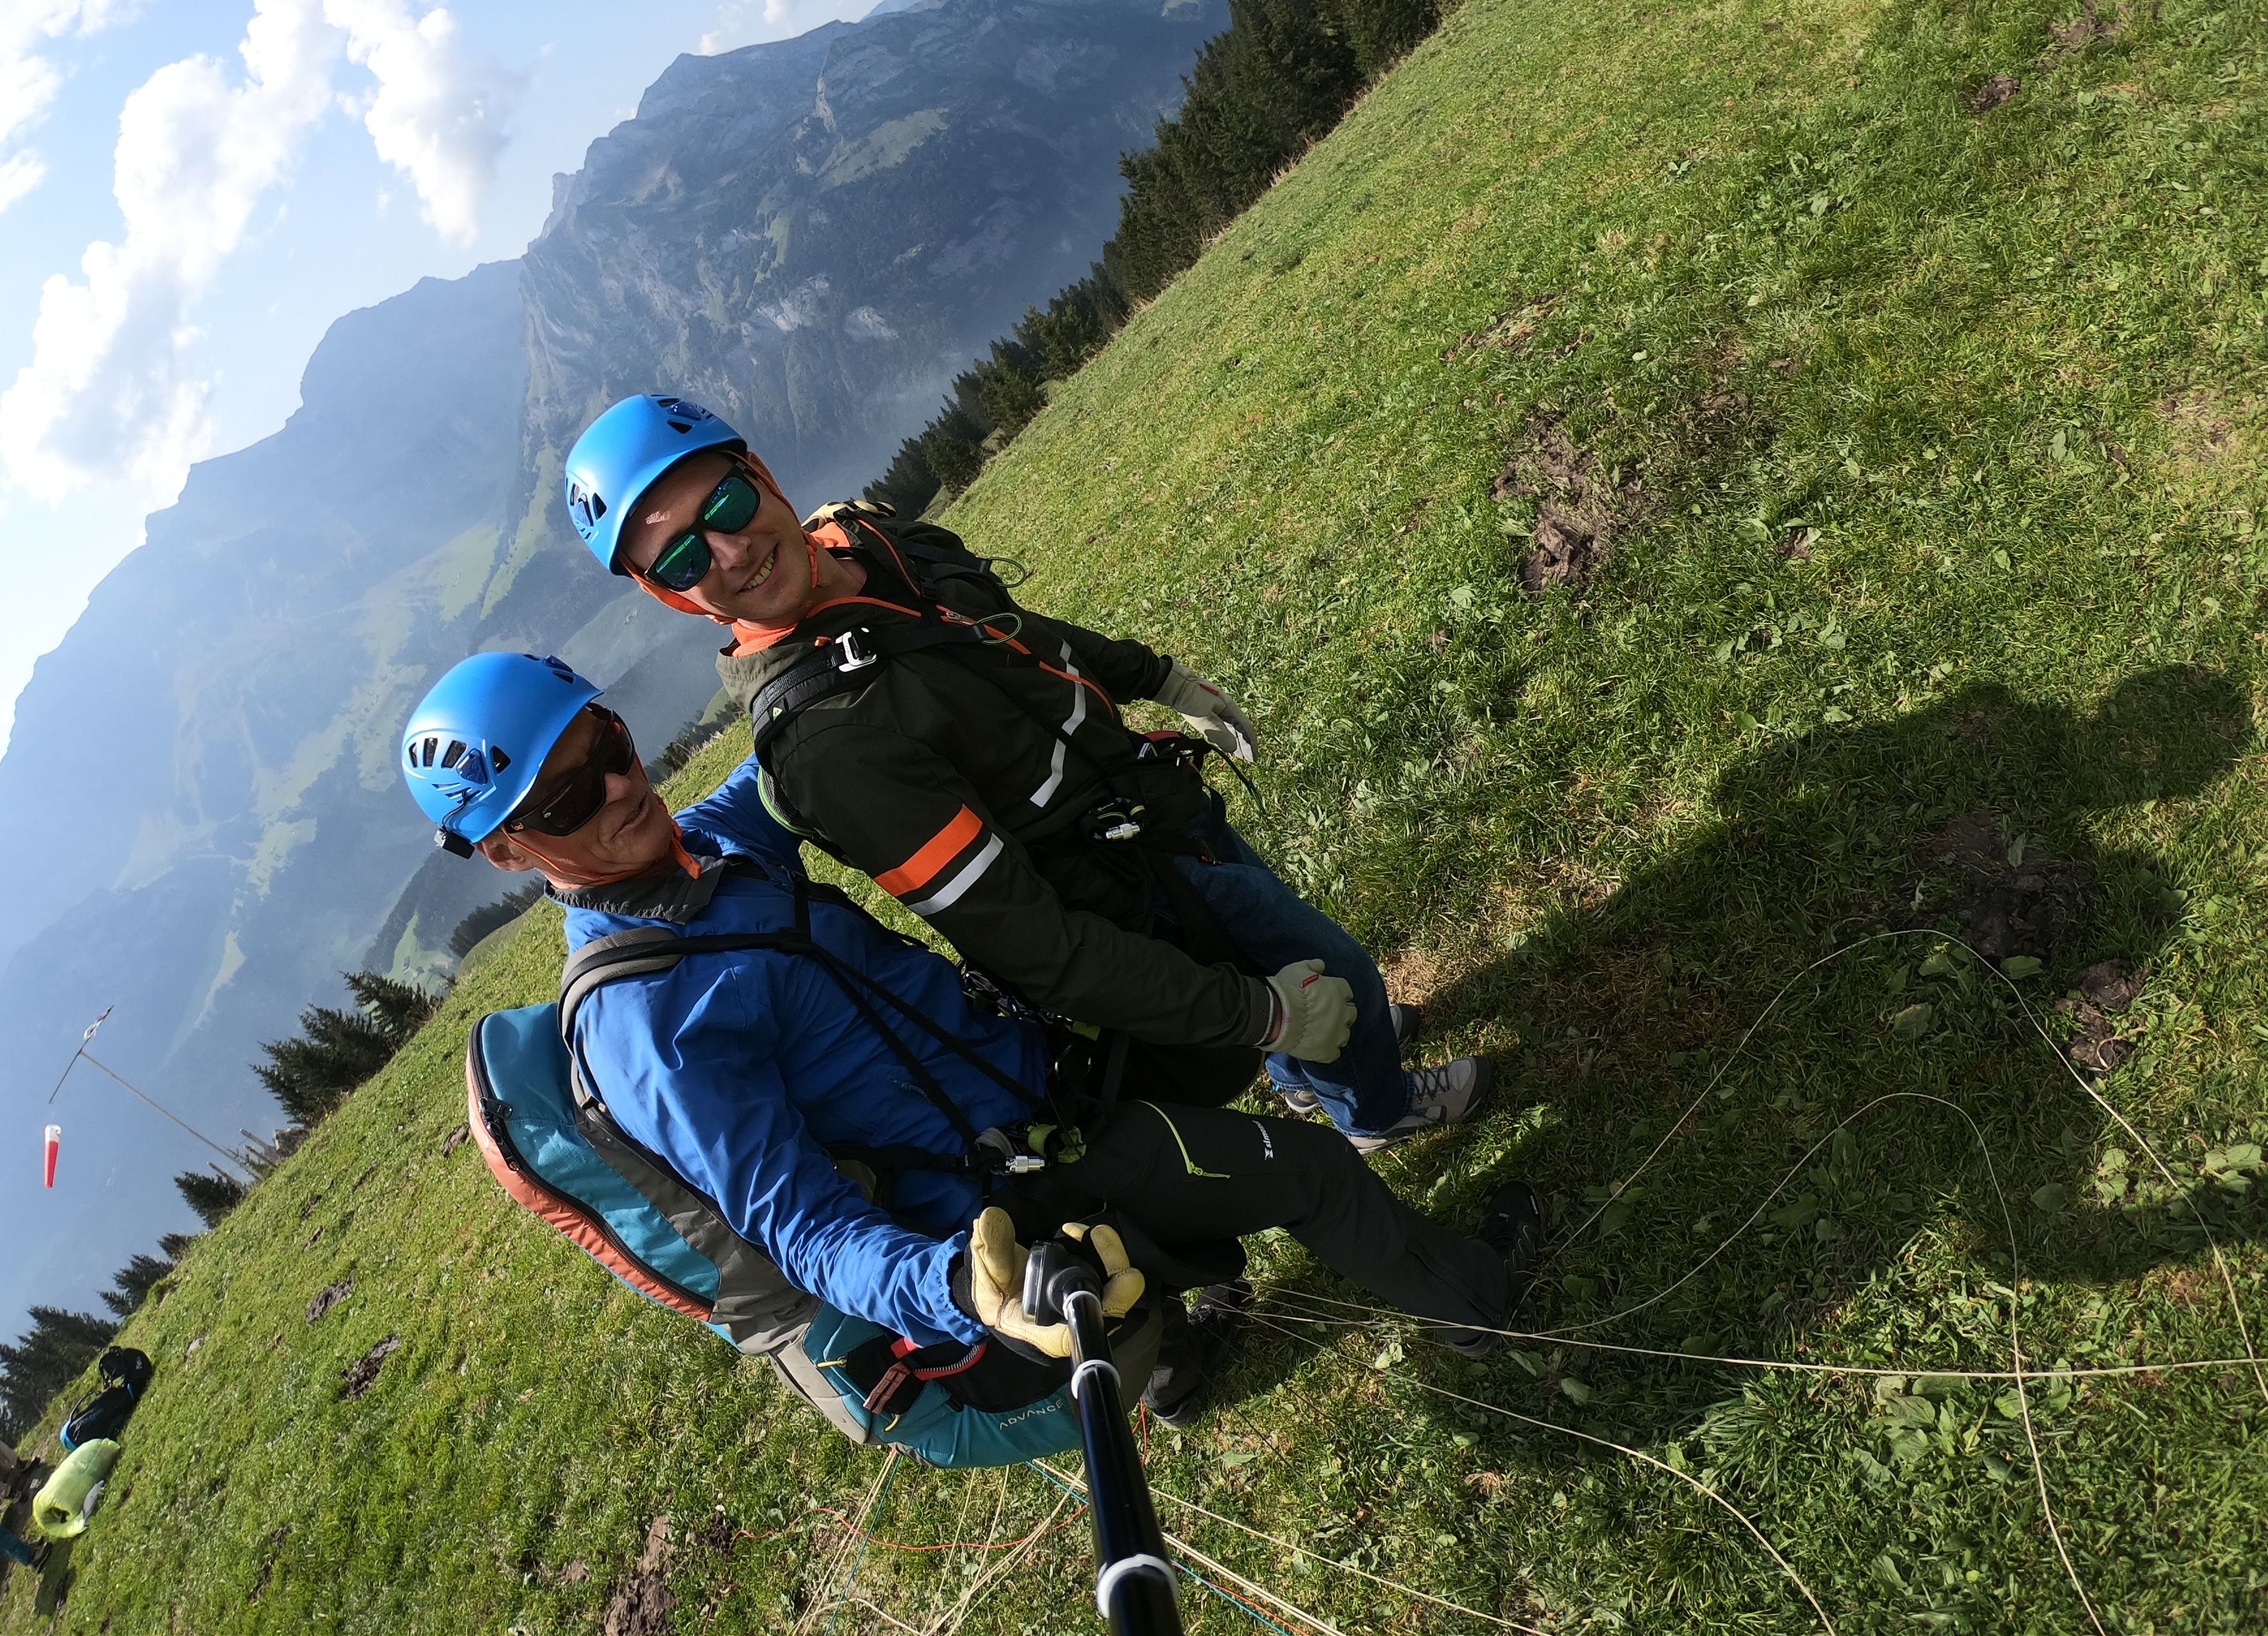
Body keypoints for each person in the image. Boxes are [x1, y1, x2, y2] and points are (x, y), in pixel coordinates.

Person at [401, 652, 1539, 1419]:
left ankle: (1174, 1355)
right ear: (506, 853)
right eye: (566, 800)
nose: (618, 787)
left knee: (1193, 1048)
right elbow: (804, 1231)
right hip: (1009, 1192)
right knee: (1310, 1171)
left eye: (606, 741)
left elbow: (799, 751)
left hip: (1038, 1081)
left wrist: (835, 611)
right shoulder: (644, 1030)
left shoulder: (711, 846)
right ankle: (1475, 1301)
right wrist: (969, 1287)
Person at [551, 394, 1490, 1149]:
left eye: (723, 505)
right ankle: (1374, 1109)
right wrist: (1262, 1017)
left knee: (1307, 973)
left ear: (759, 473)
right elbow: (1039, 948)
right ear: (669, 595)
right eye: (684, 556)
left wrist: (1153, 676)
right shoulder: (828, 744)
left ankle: (1323, 1068)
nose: (731, 552)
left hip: (1157, 803)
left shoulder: (865, 538)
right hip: (1134, 887)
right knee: (1335, 971)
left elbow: (1009, 636)